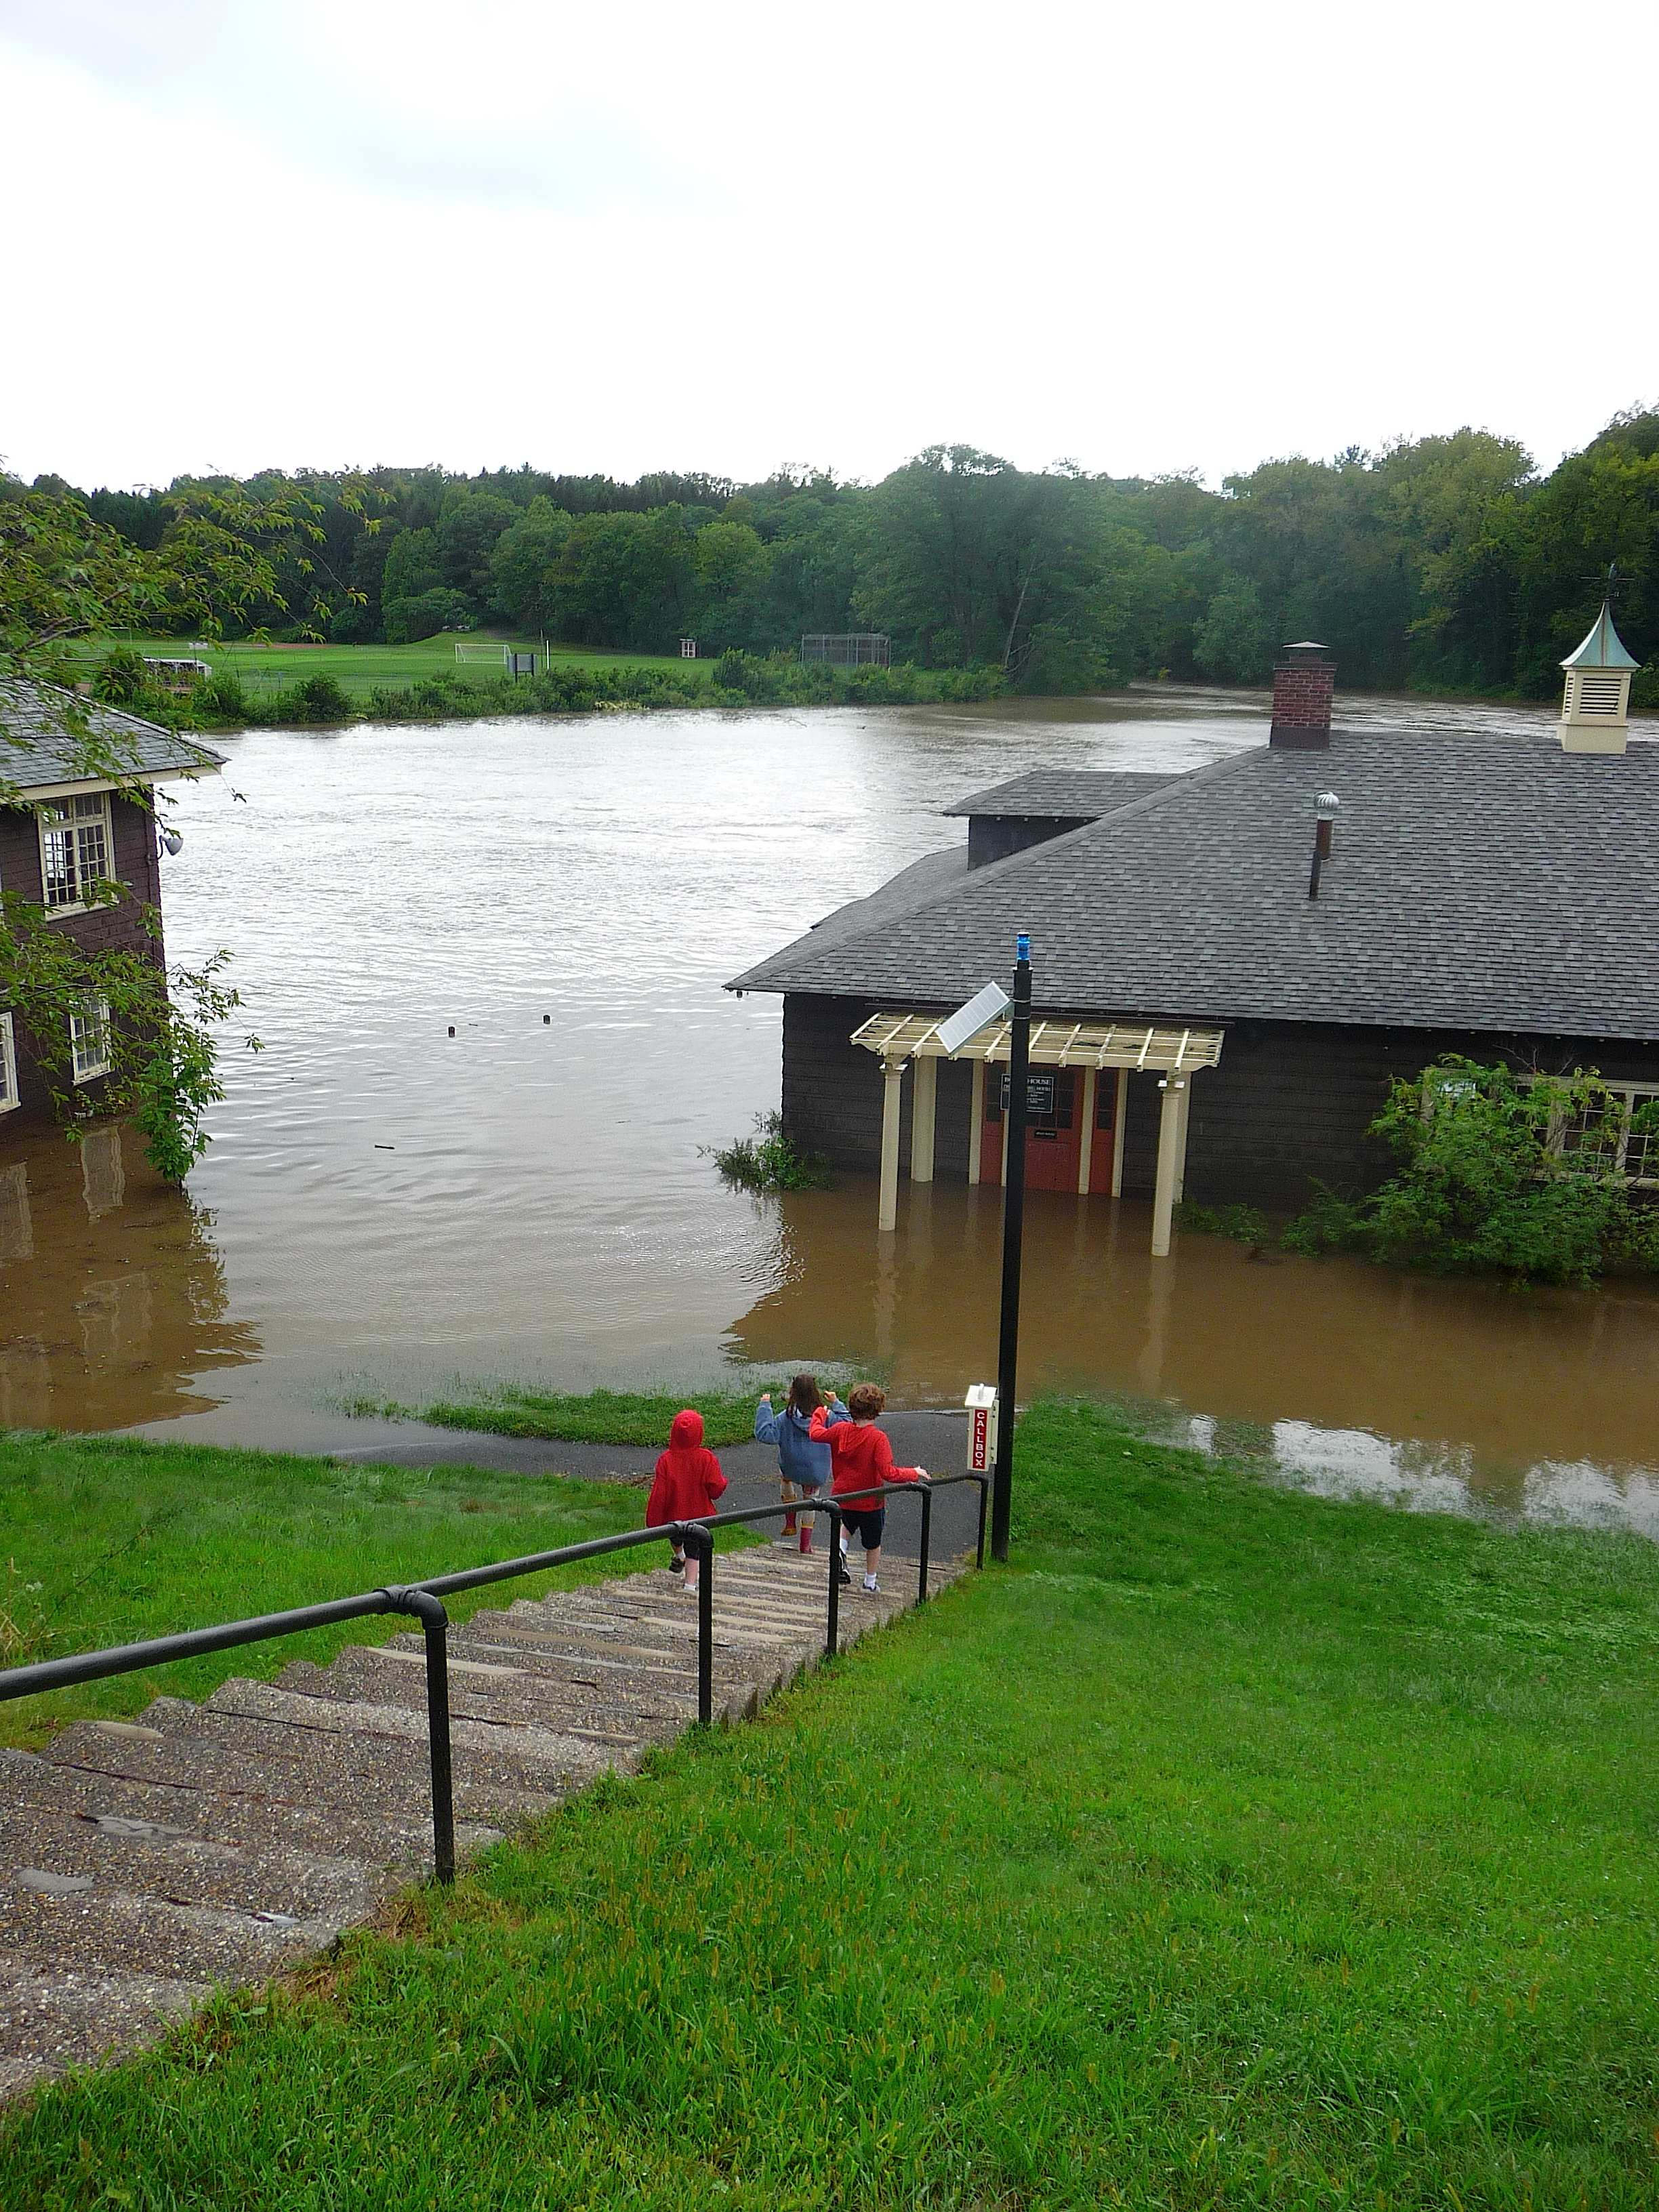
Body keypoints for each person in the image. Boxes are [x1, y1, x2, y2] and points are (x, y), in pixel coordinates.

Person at [809, 1382, 927, 1595]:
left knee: (845, 1526)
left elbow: (816, 1434)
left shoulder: (840, 1430)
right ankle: (870, 1582)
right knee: (873, 1543)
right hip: (870, 1500)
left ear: (852, 1407)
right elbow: (888, 1473)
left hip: (843, 1496)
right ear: (878, 1409)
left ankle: (840, 1551)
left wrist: (820, 1413)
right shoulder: (877, 1438)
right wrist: (914, 1472)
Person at [754, 1374, 846, 1554]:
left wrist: (765, 1406)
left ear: (793, 1393)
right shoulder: (827, 1416)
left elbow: (765, 1434)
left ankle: (790, 1523)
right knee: (810, 1501)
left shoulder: (785, 1417)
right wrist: (836, 1402)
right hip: (816, 1471)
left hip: (791, 1466)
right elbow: (847, 1424)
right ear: (816, 1393)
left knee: (786, 1480)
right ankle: (805, 1545)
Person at [644, 1408, 728, 1591]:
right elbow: (715, 1488)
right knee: (695, 1550)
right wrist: (723, 1483)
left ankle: (679, 1555)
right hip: (700, 1515)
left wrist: (654, 1518)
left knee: (675, 1538)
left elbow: (660, 1492)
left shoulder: (666, 1460)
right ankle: (690, 1585)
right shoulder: (706, 1458)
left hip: (674, 1515)